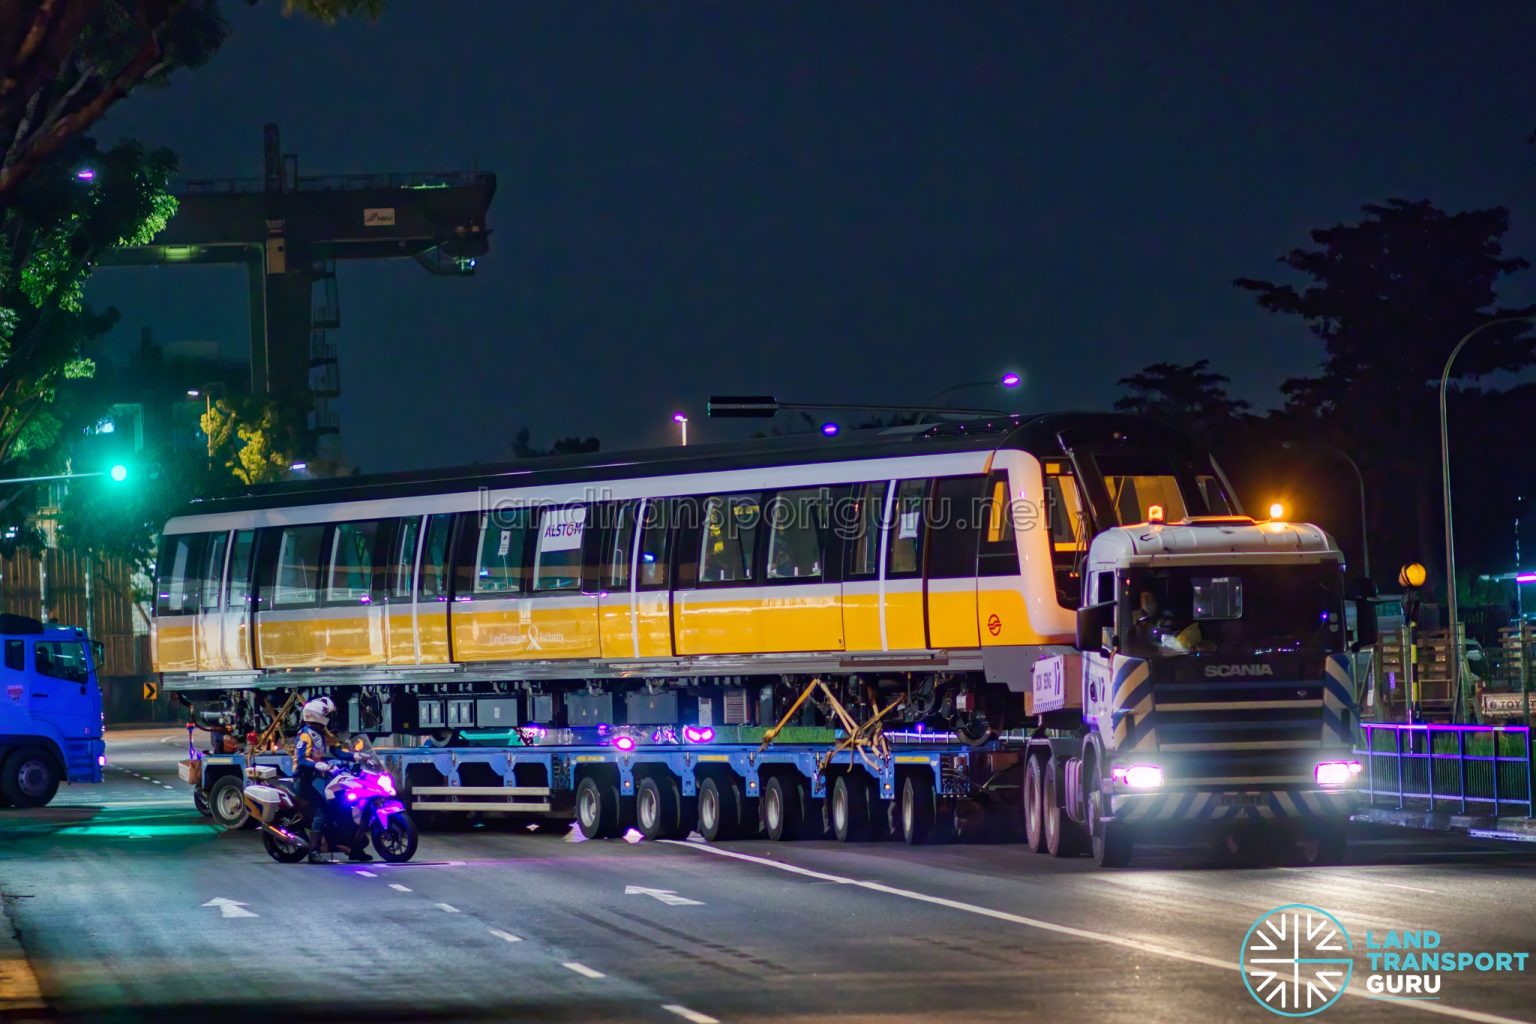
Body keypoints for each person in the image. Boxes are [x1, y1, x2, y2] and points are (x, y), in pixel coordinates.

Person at [293, 697, 367, 863]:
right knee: (321, 809)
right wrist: (320, 766)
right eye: (327, 714)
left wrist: (356, 756)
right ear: (318, 715)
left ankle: (353, 847)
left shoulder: (323, 733)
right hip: (305, 779)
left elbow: (337, 752)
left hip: (320, 777)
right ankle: (313, 852)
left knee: (341, 803)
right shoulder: (305, 735)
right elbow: (302, 760)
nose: (330, 718)